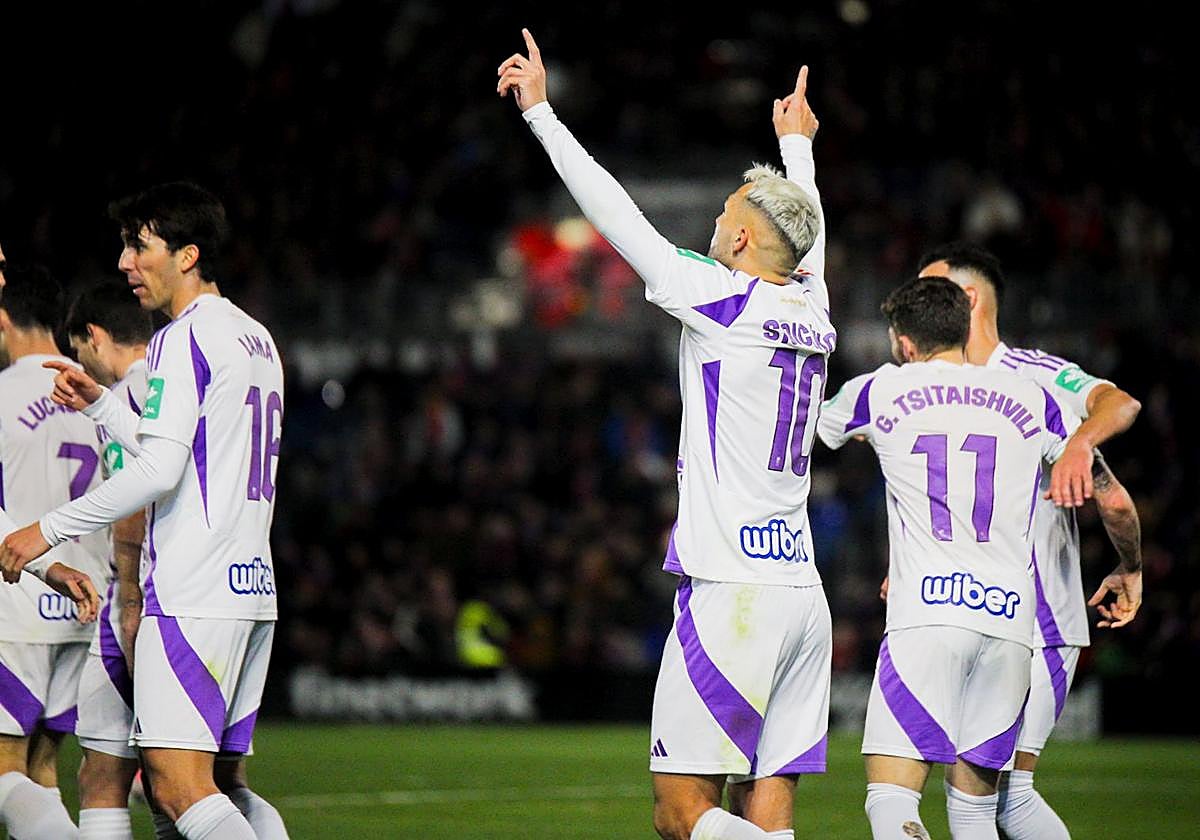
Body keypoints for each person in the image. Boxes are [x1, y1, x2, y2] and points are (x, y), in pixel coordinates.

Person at [501, 30, 831, 840]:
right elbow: (809, 235)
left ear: (747, 239)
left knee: (682, 812)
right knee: (770, 807)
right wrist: (797, 148)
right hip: (802, 595)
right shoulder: (814, 307)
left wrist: (542, 116)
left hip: (734, 592)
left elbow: (617, 214)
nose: (717, 224)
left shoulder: (723, 297)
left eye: (725, 216)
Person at [0, 182, 289, 840]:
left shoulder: (181, 339)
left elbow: (156, 471)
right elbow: (190, 450)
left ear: (187, 255)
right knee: (211, 786)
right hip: (250, 587)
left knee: (178, 786)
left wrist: (44, 530)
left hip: (191, 589)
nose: (125, 261)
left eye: (139, 246)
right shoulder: (255, 337)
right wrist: (102, 407)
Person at [818, 276, 1077, 840]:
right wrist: (1129, 563)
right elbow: (1098, 482)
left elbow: (814, 426)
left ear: (905, 343)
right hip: (1010, 627)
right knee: (978, 812)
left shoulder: (882, 389)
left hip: (929, 616)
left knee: (892, 801)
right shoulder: (1032, 397)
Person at [917, 242, 1142, 838]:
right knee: (991, 792)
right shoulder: (932, 383)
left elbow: (1119, 404)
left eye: (928, 291)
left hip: (1036, 620)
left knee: (999, 793)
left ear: (967, 300)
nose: (915, 306)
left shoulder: (1037, 377)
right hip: (972, 609)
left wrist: (1077, 442)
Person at [0, 261, 108, 839]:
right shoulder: (95, 394)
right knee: (42, 770)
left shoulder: (1, 395)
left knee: (3, 772)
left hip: (15, 605)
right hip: (80, 608)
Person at [62, 279, 156, 839]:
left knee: (103, 776)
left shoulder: (130, 394)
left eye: (79, 351)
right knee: (220, 778)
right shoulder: (178, 382)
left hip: (142, 597)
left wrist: (129, 601)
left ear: (93, 338)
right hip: (216, 594)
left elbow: (132, 499)